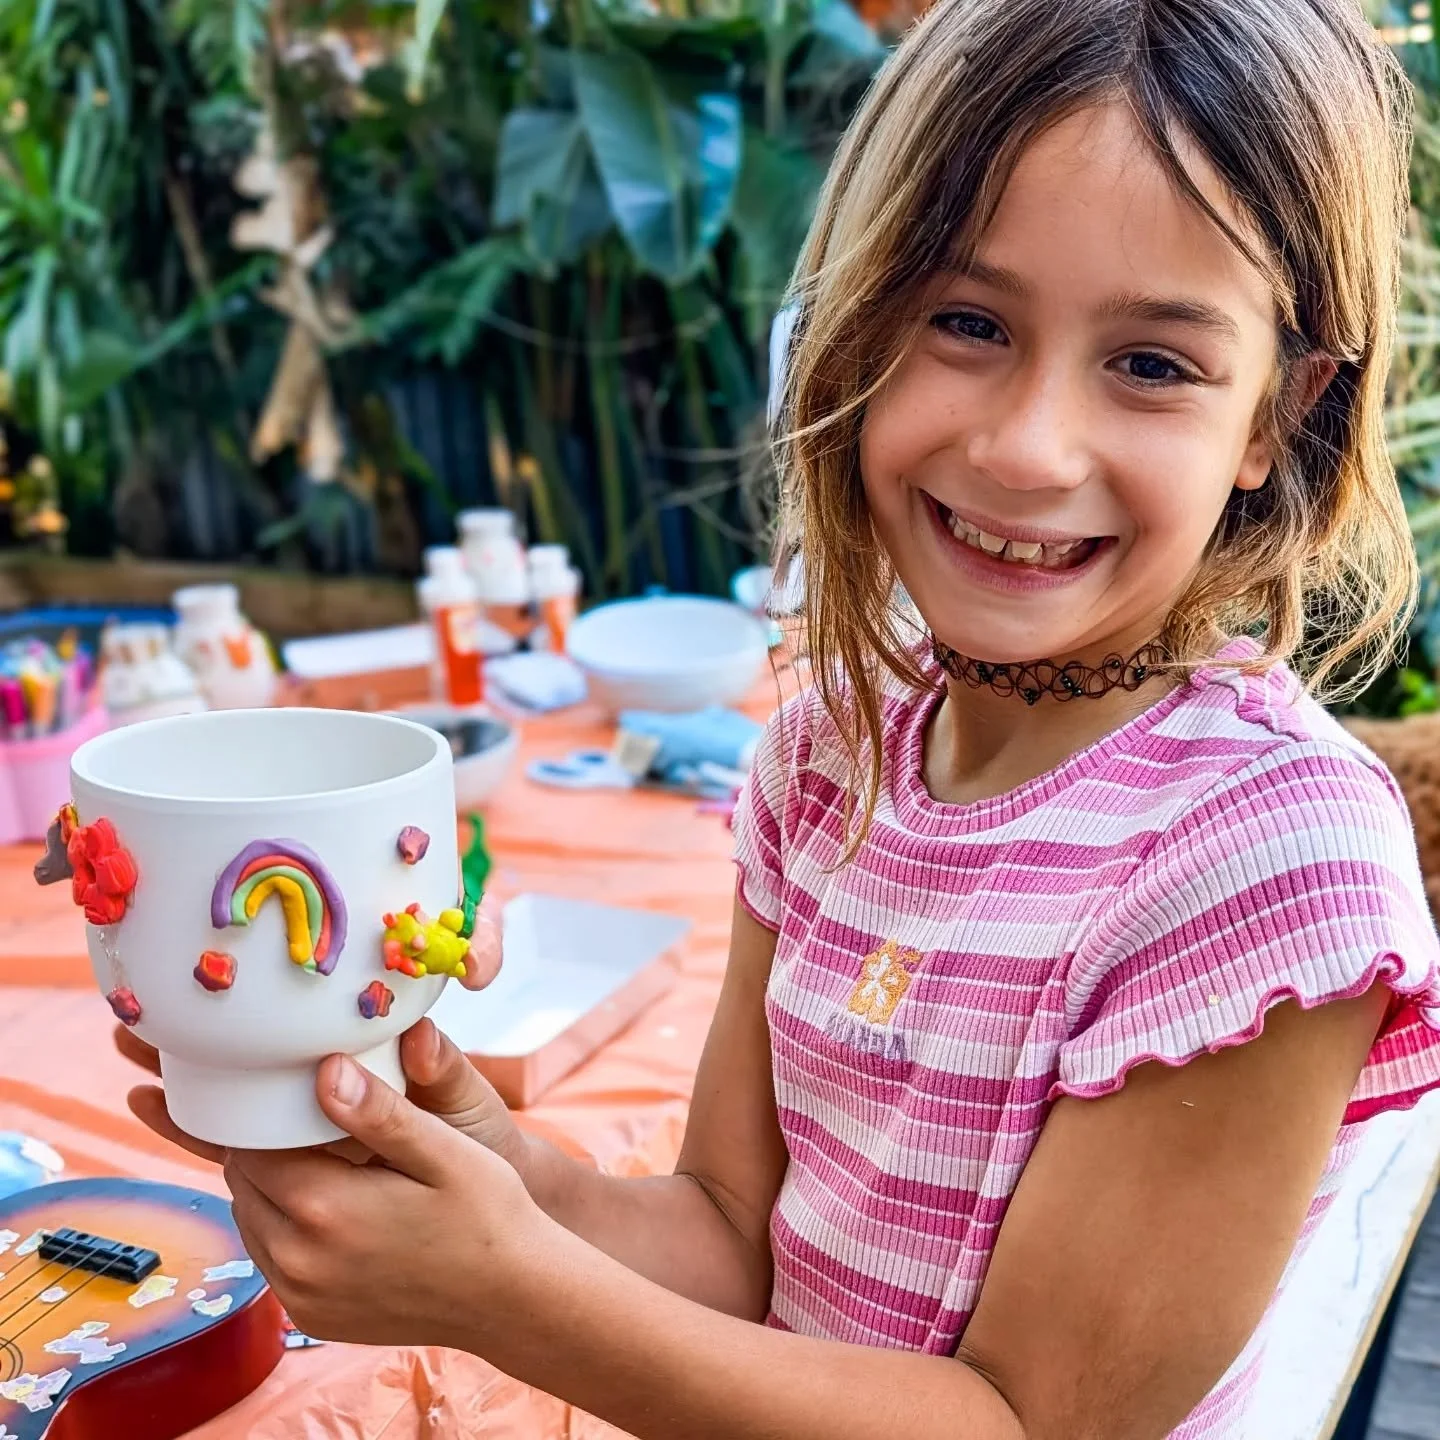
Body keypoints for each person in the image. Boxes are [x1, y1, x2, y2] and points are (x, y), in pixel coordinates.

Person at [123, 1, 1440, 1435]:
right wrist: (485, 1172)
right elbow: (728, 1243)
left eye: (1153, 364)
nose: (1028, 447)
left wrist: (505, 1295)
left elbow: (1018, 1422)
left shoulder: (1268, 867)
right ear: (856, 326)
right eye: (968, 323)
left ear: (1276, 415)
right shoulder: (832, 753)